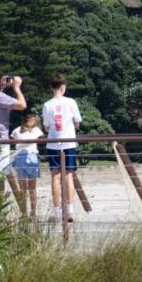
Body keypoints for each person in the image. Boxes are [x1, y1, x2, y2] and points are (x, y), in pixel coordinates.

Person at [42, 74, 82, 222]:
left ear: (51, 87)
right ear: (63, 86)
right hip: (69, 143)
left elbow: (46, 127)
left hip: (53, 142)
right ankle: (69, 210)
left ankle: (57, 210)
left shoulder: (47, 104)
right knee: (68, 175)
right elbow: (77, 122)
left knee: (55, 175)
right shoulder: (71, 102)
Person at [10, 115, 44, 219]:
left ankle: (24, 212)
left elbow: (13, 138)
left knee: (23, 188)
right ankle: (33, 212)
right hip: (31, 157)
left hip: (20, 158)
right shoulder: (36, 130)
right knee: (32, 188)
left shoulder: (16, 131)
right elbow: (41, 136)